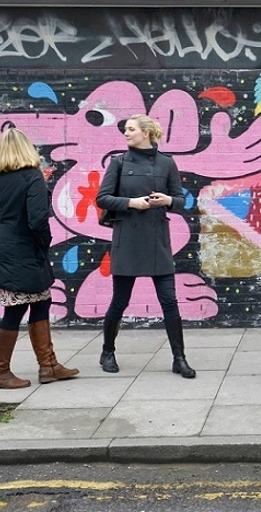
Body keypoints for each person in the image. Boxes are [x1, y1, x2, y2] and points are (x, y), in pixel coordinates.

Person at [96, 114, 196, 379]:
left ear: (146, 133)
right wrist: (131, 203)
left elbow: (181, 201)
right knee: (120, 301)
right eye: (126, 129)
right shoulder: (118, 163)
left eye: (131, 129)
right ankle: (107, 351)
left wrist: (166, 200)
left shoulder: (167, 163)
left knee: (169, 301)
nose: (126, 133)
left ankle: (179, 358)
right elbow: (102, 198)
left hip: (157, 241)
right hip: (127, 238)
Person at [0, 128, 79, 389]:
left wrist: (8, 229)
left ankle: (49, 366)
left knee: (41, 303)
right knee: (15, 310)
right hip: (26, 250)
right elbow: (37, 220)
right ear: (27, 149)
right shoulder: (32, 177)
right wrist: (43, 242)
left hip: (4, 248)